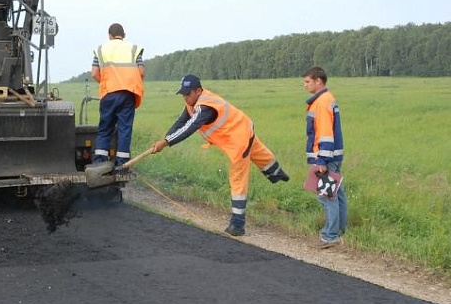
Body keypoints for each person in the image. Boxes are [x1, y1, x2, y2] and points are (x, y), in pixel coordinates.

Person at [149, 75, 290, 236]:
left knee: (237, 178)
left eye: (187, 94)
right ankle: (278, 174)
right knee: (259, 152)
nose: (185, 97)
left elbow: (190, 127)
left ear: (198, 91)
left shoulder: (206, 107)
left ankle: (237, 224)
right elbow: (180, 122)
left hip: (238, 140)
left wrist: (166, 142)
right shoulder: (192, 103)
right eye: (183, 94)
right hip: (242, 128)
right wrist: (165, 139)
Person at [303, 66, 347, 249]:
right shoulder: (327, 99)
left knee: (328, 196)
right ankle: (339, 230)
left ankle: (330, 236)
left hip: (326, 158)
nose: (305, 85)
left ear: (318, 81)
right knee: (338, 194)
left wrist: (321, 160)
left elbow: (325, 133)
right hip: (334, 156)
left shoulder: (322, 102)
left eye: (307, 81)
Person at [91, 23, 145, 167]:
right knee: (124, 129)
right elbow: (141, 72)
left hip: (109, 93)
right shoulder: (133, 49)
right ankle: (122, 164)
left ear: (109, 35)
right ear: (124, 35)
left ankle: (100, 163)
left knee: (105, 128)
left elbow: (94, 73)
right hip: (128, 94)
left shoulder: (101, 49)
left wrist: (107, 83)